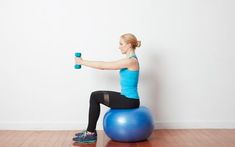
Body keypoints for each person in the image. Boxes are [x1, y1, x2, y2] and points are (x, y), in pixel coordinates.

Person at [73, 33, 141, 143]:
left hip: (130, 101)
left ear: (128, 45)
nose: (119, 46)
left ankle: (90, 133)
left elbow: (103, 66)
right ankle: (89, 131)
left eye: (121, 44)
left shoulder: (131, 61)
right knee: (95, 96)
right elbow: (104, 65)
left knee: (95, 96)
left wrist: (82, 62)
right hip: (127, 98)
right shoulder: (129, 60)